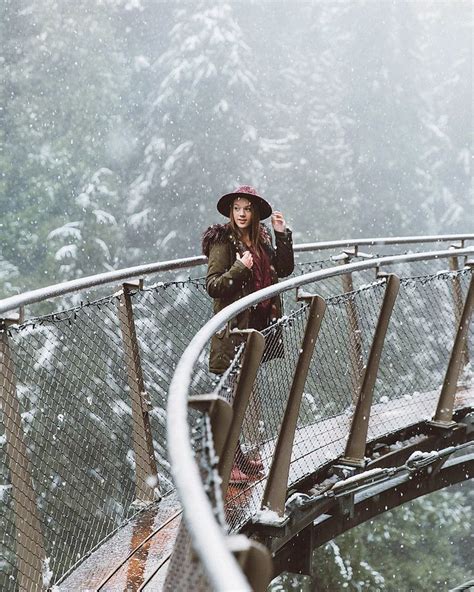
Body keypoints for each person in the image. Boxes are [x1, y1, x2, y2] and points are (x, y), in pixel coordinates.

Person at [201, 185, 294, 484]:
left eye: (247, 209)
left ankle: (237, 458)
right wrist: (240, 268)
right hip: (233, 333)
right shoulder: (222, 241)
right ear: (231, 211)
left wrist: (282, 234)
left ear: (255, 214)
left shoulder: (260, 239)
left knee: (238, 396)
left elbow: (284, 268)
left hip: (256, 329)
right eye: (237, 208)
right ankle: (226, 465)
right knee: (229, 396)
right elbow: (213, 286)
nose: (241, 214)